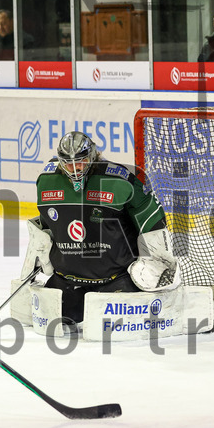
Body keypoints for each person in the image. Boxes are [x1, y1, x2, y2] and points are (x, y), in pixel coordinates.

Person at [22, 132, 181, 331]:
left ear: (93, 157)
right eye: (69, 163)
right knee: (53, 327)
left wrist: (158, 260)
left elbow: (151, 220)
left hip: (116, 280)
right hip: (68, 280)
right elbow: (47, 226)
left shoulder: (119, 180)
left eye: (80, 161)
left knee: (110, 332)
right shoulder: (46, 182)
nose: (75, 168)